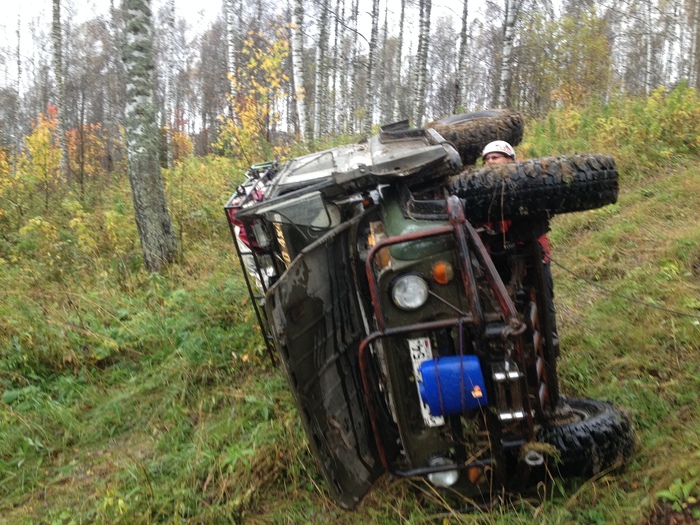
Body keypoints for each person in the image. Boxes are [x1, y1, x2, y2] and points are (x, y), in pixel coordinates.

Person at [480, 141, 559, 348]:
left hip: (532, 252)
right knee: (499, 302)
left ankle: (550, 343)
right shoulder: (480, 188)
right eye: (486, 159)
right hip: (499, 256)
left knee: (543, 299)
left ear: (510, 160)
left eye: (495, 157)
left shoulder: (528, 179)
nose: (490, 162)